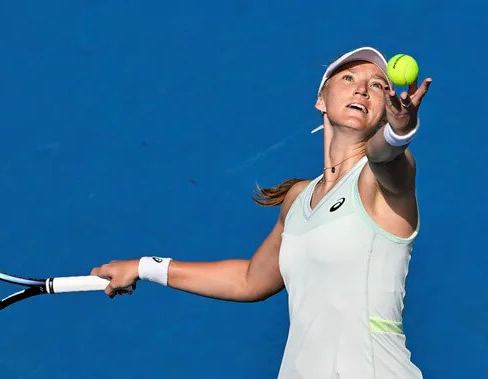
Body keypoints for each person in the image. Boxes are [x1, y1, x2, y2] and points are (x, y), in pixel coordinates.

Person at [90, 46, 432, 378]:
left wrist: (399, 132)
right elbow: (249, 279)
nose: (362, 88)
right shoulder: (298, 199)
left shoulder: (382, 180)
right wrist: (144, 267)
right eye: (348, 78)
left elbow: (386, 155)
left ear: (385, 109)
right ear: (320, 100)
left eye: (378, 85)